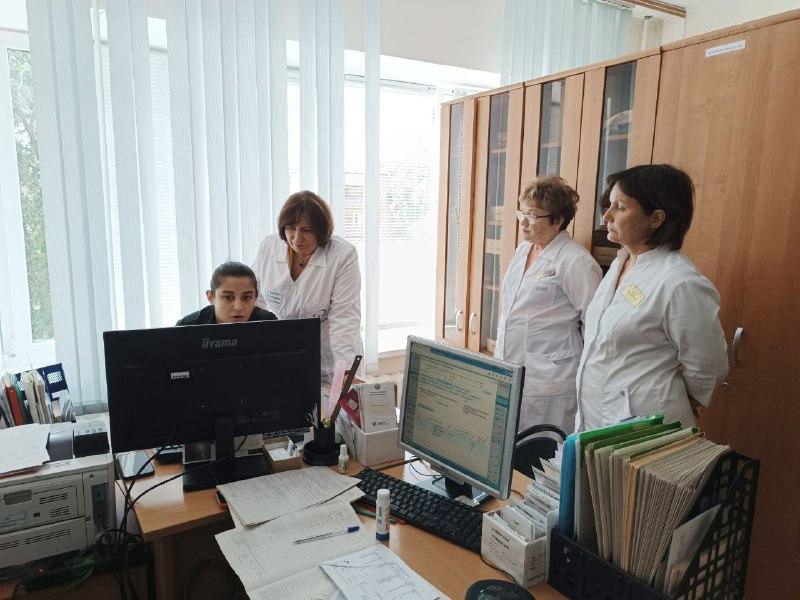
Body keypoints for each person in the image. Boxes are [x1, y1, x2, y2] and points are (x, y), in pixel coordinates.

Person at [575, 164, 728, 431]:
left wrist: (674, 398)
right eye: (609, 205)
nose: (607, 215)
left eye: (620, 207)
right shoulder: (621, 263)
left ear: (656, 219)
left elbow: (708, 365)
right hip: (597, 417)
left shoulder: (680, 281)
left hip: (645, 427)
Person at [495, 176, 602, 434]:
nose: (523, 221)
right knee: (509, 445)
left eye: (532, 215)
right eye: (522, 212)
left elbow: (596, 324)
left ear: (558, 220)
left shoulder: (576, 261)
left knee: (543, 449)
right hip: (509, 368)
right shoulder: (523, 251)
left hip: (550, 381)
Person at [252, 191, 362, 383]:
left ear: (321, 230)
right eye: (291, 228)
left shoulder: (342, 255)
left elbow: (344, 320)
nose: (297, 238)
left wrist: (344, 372)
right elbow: (253, 302)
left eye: (307, 230)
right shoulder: (269, 247)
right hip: (286, 355)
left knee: (333, 401)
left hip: (329, 359)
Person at [176, 261, 276, 325]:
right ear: (210, 297)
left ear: (256, 297)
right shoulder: (187, 327)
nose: (238, 307)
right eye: (228, 297)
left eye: (246, 298)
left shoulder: (270, 324)